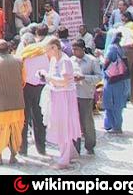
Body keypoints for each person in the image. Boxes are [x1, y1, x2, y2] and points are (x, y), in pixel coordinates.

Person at [40, 38, 81, 170]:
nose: (47, 53)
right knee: (59, 125)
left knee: (64, 126)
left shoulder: (65, 61)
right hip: (56, 94)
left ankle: (64, 160)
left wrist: (48, 77)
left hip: (64, 96)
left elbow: (64, 81)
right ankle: (70, 154)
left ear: (54, 48)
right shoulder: (53, 60)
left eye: (48, 50)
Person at [0, 40, 25, 165]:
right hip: (17, 102)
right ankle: (13, 155)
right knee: (16, 130)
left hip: (1, 103)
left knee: (0, 131)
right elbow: (24, 81)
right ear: (9, 48)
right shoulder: (19, 61)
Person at [19, 33, 49, 157]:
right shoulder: (43, 53)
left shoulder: (24, 54)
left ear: (25, 43)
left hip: (26, 87)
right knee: (39, 118)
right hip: (40, 87)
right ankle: (41, 147)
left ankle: (23, 148)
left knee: (24, 119)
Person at [71, 40, 102, 155]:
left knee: (86, 120)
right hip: (73, 94)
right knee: (75, 121)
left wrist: (84, 77)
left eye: (77, 49)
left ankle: (90, 144)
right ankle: (75, 146)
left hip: (86, 94)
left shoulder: (92, 61)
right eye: (73, 49)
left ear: (83, 49)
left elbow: (99, 77)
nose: (74, 52)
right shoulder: (71, 61)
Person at [103, 32, 130, 134]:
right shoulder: (121, 48)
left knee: (111, 104)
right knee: (118, 104)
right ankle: (116, 125)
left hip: (112, 80)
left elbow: (106, 63)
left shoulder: (111, 48)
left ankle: (113, 126)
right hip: (121, 80)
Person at [119, 12, 133, 106]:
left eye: (122, 16)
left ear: (126, 17)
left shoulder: (126, 27)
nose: (121, 17)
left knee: (124, 76)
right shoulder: (132, 26)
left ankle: (123, 99)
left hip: (127, 50)